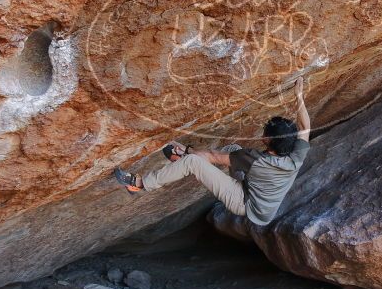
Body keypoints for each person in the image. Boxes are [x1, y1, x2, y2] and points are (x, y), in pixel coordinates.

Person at [114, 77, 311, 226]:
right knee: (232, 150)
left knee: (193, 162)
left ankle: (141, 184)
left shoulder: (255, 160)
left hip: (245, 203)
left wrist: (190, 152)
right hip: (261, 199)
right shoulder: (296, 157)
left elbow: (212, 157)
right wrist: (298, 95)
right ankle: (182, 157)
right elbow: (306, 126)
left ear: (266, 140)